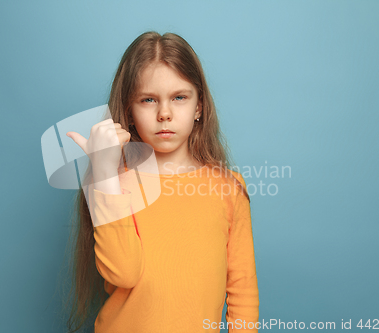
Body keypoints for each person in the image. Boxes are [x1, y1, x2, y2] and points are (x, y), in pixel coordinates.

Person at [63, 31, 259, 333]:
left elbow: (242, 293)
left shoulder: (229, 187)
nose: (164, 113)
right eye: (148, 99)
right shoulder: (112, 182)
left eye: (179, 97)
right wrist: (103, 172)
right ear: (129, 109)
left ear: (199, 106)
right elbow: (123, 273)